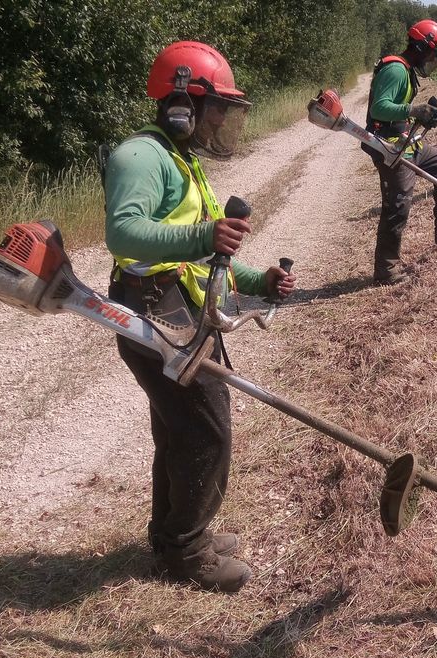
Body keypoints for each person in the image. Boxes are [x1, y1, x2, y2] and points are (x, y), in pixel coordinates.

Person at [103, 41, 296, 593]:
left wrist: (257, 281)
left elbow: (203, 255)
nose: (219, 122)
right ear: (181, 104)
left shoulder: (180, 159)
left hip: (178, 305)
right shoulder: (141, 156)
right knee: (206, 430)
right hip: (152, 309)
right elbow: (123, 232)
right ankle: (188, 553)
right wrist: (204, 235)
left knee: (177, 428)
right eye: (216, 110)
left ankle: (172, 534)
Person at [364, 19, 437, 286]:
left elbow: (398, 110)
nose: (432, 60)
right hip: (390, 147)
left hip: (407, 140)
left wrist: (422, 116)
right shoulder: (396, 70)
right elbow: (379, 108)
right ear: (421, 47)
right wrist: (413, 109)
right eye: (432, 54)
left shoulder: (407, 70)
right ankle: (386, 271)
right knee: (398, 206)